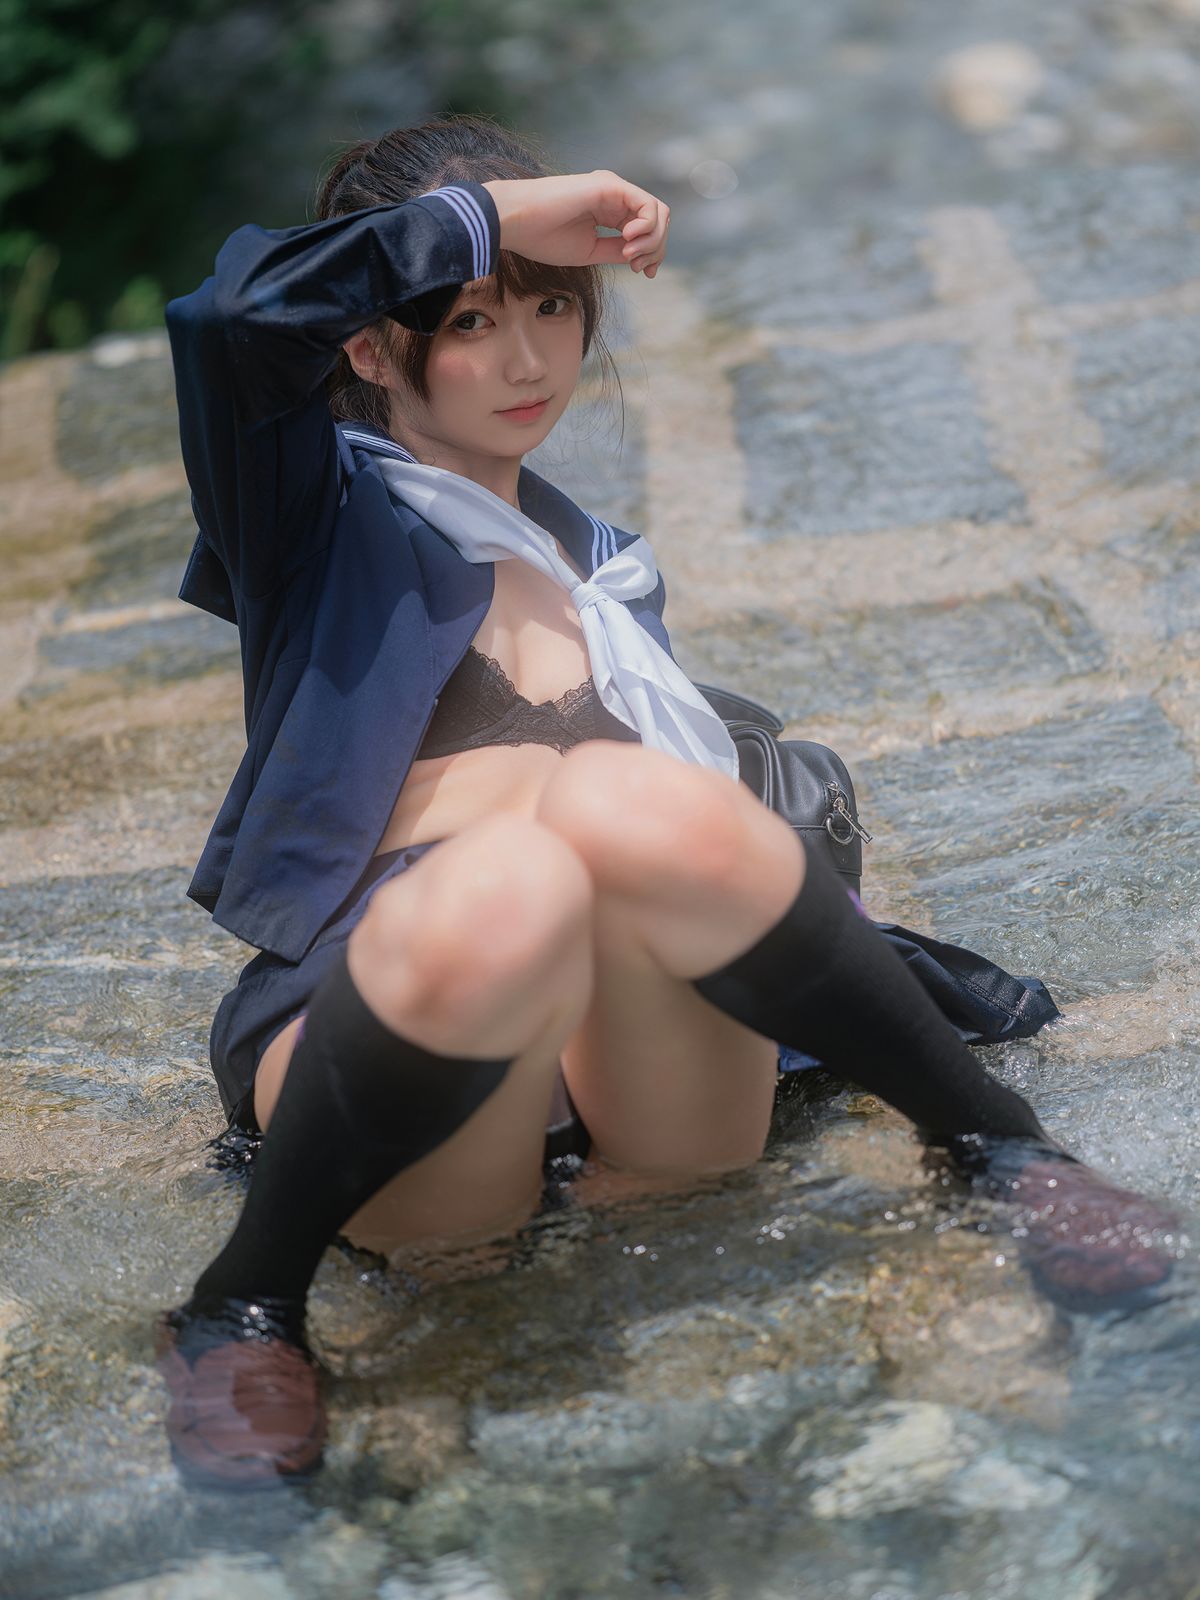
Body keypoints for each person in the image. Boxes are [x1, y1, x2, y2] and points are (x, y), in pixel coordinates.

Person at [154, 112, 1177, 1490]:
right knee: (518, 877)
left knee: (630, 802)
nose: (530, 361)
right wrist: (503, 218)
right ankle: (245, 1302)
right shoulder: (308, 515)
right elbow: (229, 320)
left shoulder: (602, 567)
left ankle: (999, 1152)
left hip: (646, 1097)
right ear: (371, 347)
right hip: (409, 1040)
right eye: (471, 320)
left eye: (554, 309)